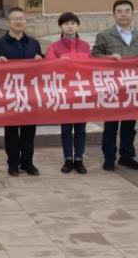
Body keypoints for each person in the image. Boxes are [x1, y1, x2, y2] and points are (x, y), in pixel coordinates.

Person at [91, 0, 138, 172]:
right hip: (112, 88)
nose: (123, 14)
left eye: (127, 11)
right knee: (111, 125)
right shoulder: (104, 35)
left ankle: (127, 156)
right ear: (114, 14)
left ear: (132, 13)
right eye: (119, 11)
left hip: (133, 87)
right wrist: (108, 58)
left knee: (129, 125)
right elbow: (93, 56)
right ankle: (109, 158)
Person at [0, 7, 44, 176]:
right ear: (9, 21)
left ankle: (27, 162)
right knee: (11, 131)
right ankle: (13, 163)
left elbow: (42, 68)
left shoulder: (34, 43)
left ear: (25, 21)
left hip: (29, 94)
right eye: (15, 19)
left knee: (29, 131)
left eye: (21, 18)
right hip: (9, 94)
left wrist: (41, 60)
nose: (18, 21)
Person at [45, 12, 91, 174]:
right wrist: (60, 63)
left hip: (82, 92)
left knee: (80, 128)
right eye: (65, 24)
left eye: (72, 23)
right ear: (61, 27)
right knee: (66, 128)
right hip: (64, 94)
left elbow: (92, 67)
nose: (69, 26)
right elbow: (49, 68)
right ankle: (67, 159)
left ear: (77, 26)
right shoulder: (54, 47)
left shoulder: (85, 46)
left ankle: (79, 159)